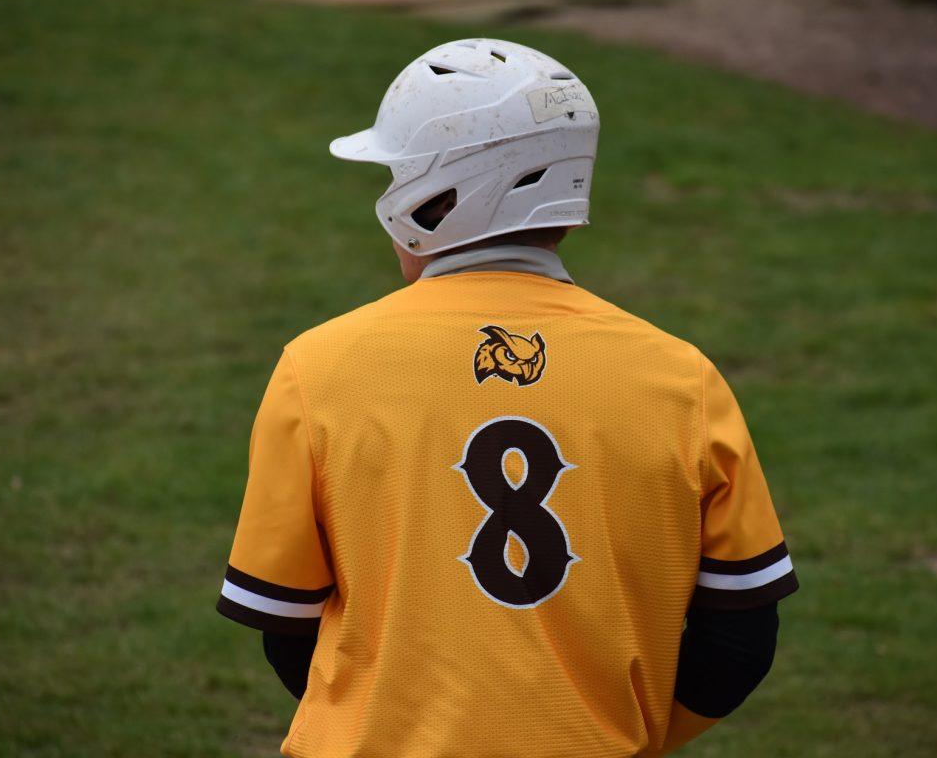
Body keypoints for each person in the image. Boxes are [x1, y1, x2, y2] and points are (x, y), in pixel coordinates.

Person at [216, 38, 797, 758]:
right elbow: (739, 643)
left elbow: (286, 630)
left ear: (435, 194)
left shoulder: (319, 369)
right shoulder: (682, 378)